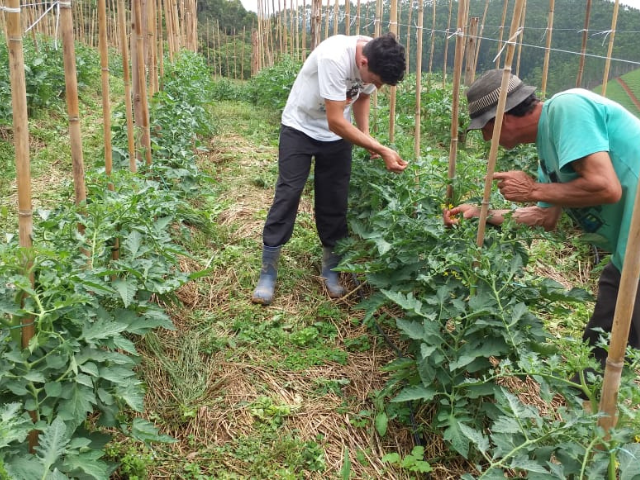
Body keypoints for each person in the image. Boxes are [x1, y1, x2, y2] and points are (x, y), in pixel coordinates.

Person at [444, 68, 640, 373]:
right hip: (629, 250)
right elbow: (545, 216)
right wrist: (483, 214)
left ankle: (588, 411)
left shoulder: (567, 107)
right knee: (608, 334)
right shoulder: (546, 151)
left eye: (483, 128)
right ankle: (589, 410)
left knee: (609, 340)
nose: (484, 138)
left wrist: (533, 189)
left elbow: (607, 187)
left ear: (501, 121)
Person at [252, 33, 408, 305]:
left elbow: (361, 99)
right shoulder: (334, 57)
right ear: (362, 62)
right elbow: (336, 120)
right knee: (289, 193)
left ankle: (330, 269)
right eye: (375, 80)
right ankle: (268, 271)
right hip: (300, 127)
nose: (376, 86)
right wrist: (381, 148)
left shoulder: (376, 58)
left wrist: (367, 136)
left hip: (336, 138)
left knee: (334, 200)